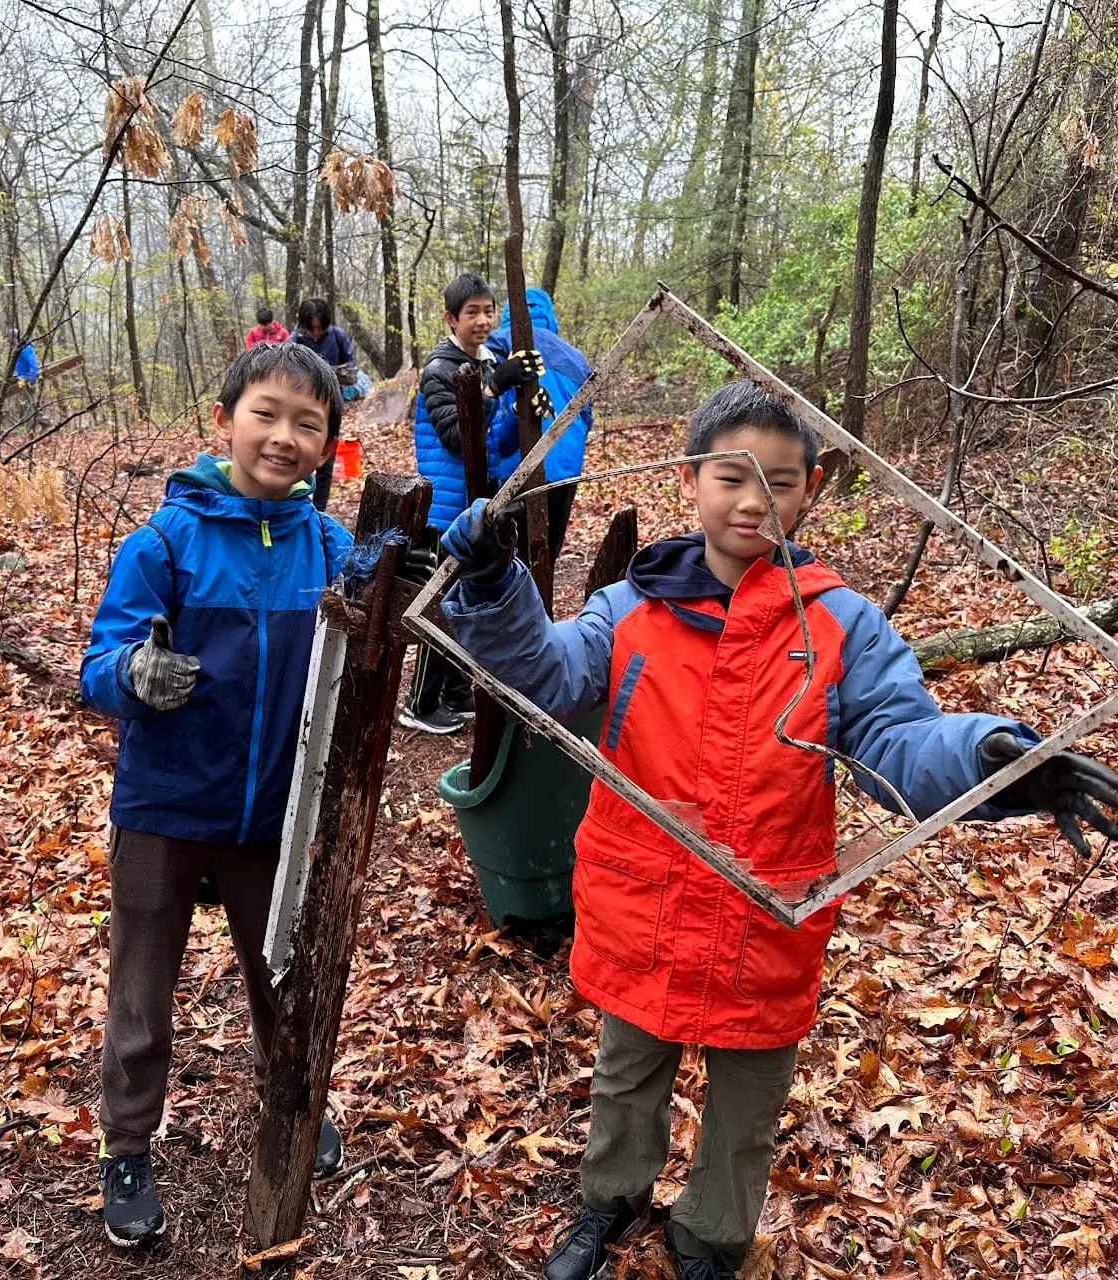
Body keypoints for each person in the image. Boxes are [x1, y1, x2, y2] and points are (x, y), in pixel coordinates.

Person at [439, 379, 1118, 1280]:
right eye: (732, 476)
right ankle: (611, 1201)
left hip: (764, 916)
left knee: (747, 1106)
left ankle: (710, 1242)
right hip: (643, 903)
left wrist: (990, 757)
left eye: (781, 481)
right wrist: (494, 584)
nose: (754, 501)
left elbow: (896, 742)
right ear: (689, 478)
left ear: (812, 490)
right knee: (627, 1073)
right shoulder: (631, 609)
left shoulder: (838, 624)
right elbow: (546, 675)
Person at [80, 343, 355, 1248]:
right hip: (165, 803)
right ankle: (127, 1144)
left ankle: (291, 1102)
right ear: (225, 420)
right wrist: (134, 672)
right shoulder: (165, 541)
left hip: (273, 812)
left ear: (327, 444)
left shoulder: (329, 547)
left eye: (307, 424)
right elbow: (98, 664)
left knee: (281, 975)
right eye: (265, 414)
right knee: (141, 985)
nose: (283, 437)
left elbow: (394, 610)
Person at [401, 271, 548, 735]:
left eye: (488, 311)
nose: (483, 321)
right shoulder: (438, 370)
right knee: (442, 602)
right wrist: (493, 388)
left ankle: (458, 691)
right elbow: (456, 437)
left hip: (477, 502)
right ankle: (420, 703)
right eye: (472, 313)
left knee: (471, 599)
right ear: (451, 319)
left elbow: (493, 444)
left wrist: (524, 416)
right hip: (446, 507)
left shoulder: (487, 363)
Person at [489, 286, 592, 563]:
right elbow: (586, 414)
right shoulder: (574, 357)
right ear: (549, 314)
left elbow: (484, 399)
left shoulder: (496, 343)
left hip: (511, 466)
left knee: (505, 558)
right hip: (563, 468)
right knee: (545, 556)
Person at [289, 298, 356, 511]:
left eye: (320, 328)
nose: (316, 332)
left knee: (326, 461)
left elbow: (350, 363)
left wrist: (340, 372)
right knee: (298, 456)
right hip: (301, 407)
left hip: (331, 405)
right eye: (312, 328)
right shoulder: (295, 340)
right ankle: (296, 504)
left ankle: (319, 510)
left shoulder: (337, 336)